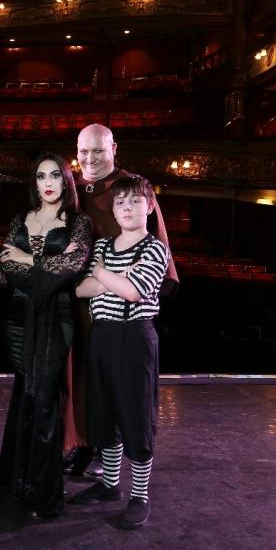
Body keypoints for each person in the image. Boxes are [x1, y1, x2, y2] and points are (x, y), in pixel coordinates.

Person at [66, 123, 178, 478]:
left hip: (123, 312)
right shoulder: (71, 187)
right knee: (85, 377)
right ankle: (82, 442)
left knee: (126, 393)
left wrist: (112, 280)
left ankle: (109, 458)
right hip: (83, 302)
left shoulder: (131, 189)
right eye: (84, 151)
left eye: (98, 150)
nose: (90, 159)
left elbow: (152, 256)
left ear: (114, 149)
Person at [0, 152, 91, 520]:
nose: (47, 183)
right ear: (33, 182)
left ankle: (44, 493)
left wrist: (28, 259)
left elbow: (71, 267)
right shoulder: (21, 218)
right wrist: (43, 267)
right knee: (25, 394)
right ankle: (19, 481)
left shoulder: (78, 222)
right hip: (18, 318)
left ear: (66, 180)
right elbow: (6, 262)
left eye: (54, 175)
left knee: (46, 399)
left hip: (55, 318)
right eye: (40, 176)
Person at [71, 175, 169, 530]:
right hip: (102, 335)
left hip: (134, 338)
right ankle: (110, 485)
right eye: (120, 202)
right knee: (104, 413)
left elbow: (133, 292)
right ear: (113, 210)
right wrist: (116, 278)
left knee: (135, 416)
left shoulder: (155, 249)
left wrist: (103, 274)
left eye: (135, 201)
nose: (127, 208)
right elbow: (81, 290)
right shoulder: (102, 245)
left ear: (149, 206)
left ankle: (140, 495)